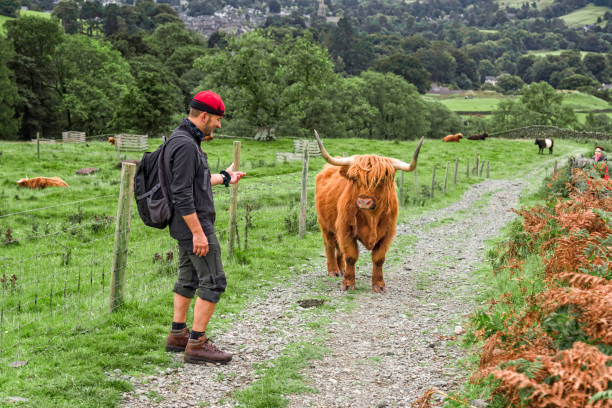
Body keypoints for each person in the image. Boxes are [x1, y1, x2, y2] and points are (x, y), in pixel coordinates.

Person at [164, 90, 245, 364]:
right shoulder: (187, 145)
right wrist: (198, 232)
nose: (219, 125)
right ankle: (197, 343)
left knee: (188, 278)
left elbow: (193, 182)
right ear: (204, 116)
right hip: (194, 222)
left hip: (183, 222)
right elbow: (182, 193)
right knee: (214, 280)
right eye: (218, 119)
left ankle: (178, 335)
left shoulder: (181, 138)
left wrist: (224, 178)